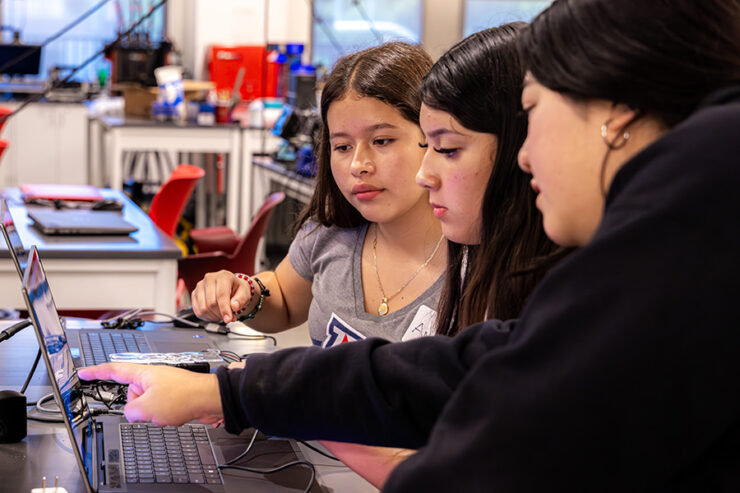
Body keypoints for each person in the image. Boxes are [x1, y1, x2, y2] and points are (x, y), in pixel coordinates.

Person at [80, 0, 740, 491]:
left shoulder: (693, 214)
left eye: (534, 114)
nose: (528, 157)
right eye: (341, 146)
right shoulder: (683, 219)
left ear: (615, 110)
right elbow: (449, 370)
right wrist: (225, 391)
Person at [320, 22, 563, 487]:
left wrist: (307, 412)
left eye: (447, 149)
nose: (424, 173)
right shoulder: (492, 276)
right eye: (341, 146)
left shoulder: (563, 303)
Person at [191, 42, 448, 346]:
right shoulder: (331, 232)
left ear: (434, 136)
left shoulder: (481, 265)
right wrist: (243, 293)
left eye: (381, 140)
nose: (358, 165)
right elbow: (284, 300)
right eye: (342, 146)